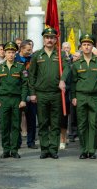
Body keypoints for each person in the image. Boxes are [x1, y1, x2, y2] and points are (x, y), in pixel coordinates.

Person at [28, 27, 70, 159]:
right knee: (43, 122)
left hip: (56, 94)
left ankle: (53, 149)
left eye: (52, 37)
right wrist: (32, 93)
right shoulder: (37, 55)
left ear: (55, 39)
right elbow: (31, 76)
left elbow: (67, 68)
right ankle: (44, 149)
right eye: (47, 37)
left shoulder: (61, 54)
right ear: (43, 39)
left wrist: (63, 80)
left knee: (55, 123)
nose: (49, 40)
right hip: (41, 94)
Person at [71, 34, 97, 159]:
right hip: (81, 96)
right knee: (81, 124)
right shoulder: (76, 64)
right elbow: (73, 82)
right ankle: (83, 149)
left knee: (93, 123)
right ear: (81, 47)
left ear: (92, 46)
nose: (86, 47)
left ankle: (91, 150)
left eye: (89, 45)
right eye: (84, 45)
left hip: (95, 96)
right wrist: (73, 97)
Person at [0, 41, 28, 159]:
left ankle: (14, 150)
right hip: (3, 100)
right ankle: (6, 149)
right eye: (8, 52)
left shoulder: (20, 67)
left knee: (15, 126)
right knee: (4, 126)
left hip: (16, 100)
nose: (11, 55)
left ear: (15, 53)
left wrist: (23, 99)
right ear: (4, 53)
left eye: (13, 52)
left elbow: (24, 85)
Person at [15, 40, 38, 149]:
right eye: (28, 50)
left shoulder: (33, 59)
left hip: (31, 93)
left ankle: (31, 142)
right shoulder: (14, 59)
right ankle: (17, 142)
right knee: (17, 119)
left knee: (32, 120)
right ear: (22, 49)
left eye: (31, 49)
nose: (30, 51)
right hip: (18, 93)